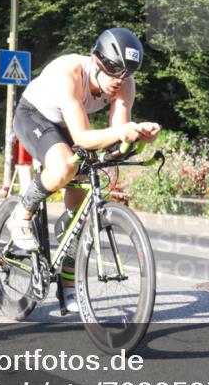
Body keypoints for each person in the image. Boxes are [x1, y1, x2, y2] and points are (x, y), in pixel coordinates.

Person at [10, 27, 161, 313]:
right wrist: (122, 133)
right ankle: (22, 212)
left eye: (127, 73)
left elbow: (116, 139)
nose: (119, 79)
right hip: (35, 116)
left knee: (78, 213)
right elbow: (81, 136)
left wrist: (138, 136)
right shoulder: (69, 73)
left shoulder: (125, 84)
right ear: (96, 60)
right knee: (63, 167)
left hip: (68, 124)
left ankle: (68, 284)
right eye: (113, 69)